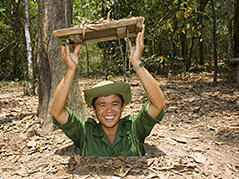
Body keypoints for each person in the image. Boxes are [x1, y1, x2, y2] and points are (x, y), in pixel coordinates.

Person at [49, 25, 165, 156]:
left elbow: (158, 104)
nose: (109, 110)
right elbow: (56, 112)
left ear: (123, 106)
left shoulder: (134, 128)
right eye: (102, 104)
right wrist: (70, 70)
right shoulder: (85, 132)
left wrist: (136, 62)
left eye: (114, 104)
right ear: (93, 109)